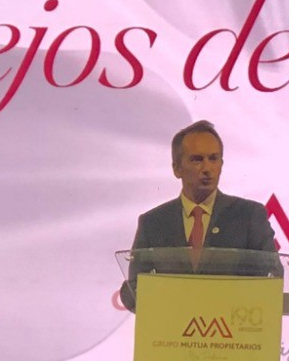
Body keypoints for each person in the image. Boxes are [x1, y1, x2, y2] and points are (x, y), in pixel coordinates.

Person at [119, 120, 279, 312]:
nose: (207, 168)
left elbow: (272, 277)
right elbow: (134, 288)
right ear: (177, 169)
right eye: (197, 159)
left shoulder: (248, 216)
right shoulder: (153, 223)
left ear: (221, 164)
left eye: (214, 158)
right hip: (173, 327)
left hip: (231, 326)